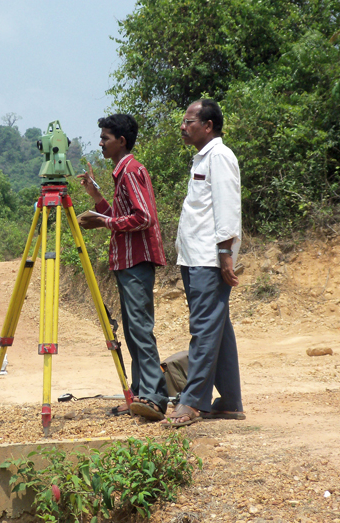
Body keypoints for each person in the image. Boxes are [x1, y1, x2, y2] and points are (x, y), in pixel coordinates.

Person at [77, 114, 169, 421]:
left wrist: (104, 222)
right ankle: (139, 394)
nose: (101, 143)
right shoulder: (123, 173)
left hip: (137, 260)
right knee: (132, 331)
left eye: (105, 138)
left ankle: (154, 397)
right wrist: (97, 198)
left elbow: (144, 217)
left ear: (121, 141)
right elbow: (119, 215)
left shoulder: (130, 171)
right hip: (128, 261)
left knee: (140, 329)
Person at [162, 99, 245, 427]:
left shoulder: (220, 157)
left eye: (189, 122)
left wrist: (225, 253)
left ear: (208, 126)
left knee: (204, 329)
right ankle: (230, 401)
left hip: (208, 259)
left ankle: (193, 401)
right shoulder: (204, 157)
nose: (183, 127)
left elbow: (228, 207)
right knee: (217, 328)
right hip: (195, 256)